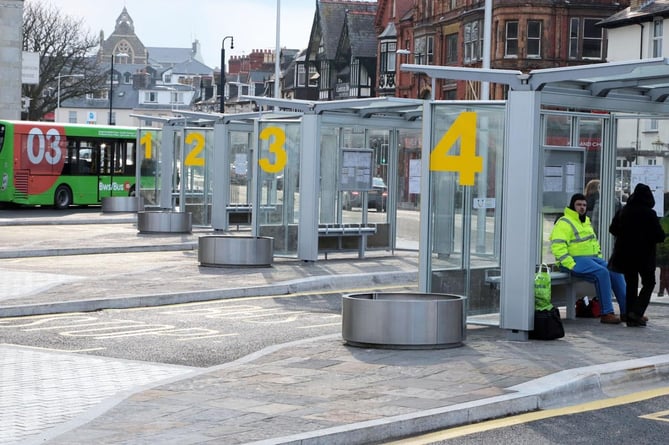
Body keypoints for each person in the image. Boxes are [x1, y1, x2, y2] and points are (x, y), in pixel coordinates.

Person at [550, 193, 626, 324]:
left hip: (592, 259)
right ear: (572, 206)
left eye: (584, 205)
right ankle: (606, 313)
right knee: (602, 273)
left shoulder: (586, 222)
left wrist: (599, 258)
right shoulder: (564, 222)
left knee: (615, 270)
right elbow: (558, 245)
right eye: (578, 204)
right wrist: (570, 264)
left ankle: (628, 311)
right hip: (574, 260)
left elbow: (593, 243)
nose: (582, 207)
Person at [609, 183, 666, 327]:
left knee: (631, 285)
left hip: (625, 255)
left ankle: (630, 316)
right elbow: (659, 236)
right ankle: (637, 312)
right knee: (649, 283)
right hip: (645, 256)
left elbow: (613, 229)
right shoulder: (649, 214)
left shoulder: (624, 211)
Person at [656, 192, 669, 298]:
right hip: (666, 246)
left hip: (659, 246)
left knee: (663, 269)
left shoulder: (659, 214)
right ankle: (664, 290)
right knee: (666, 270)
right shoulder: (666, 216)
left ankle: (661, 290)